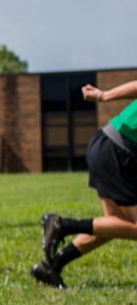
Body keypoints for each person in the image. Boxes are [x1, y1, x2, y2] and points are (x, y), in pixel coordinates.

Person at [32, 79, 137, 288]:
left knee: (114, 224)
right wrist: (103, 96)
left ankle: (52, 266)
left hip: (110, 145)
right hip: (117, 150)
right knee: (129, 226)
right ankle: (62, 225)